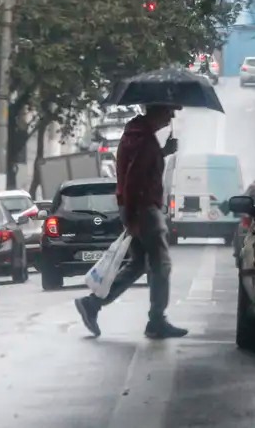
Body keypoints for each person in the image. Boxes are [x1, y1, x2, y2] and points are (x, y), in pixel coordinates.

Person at [74, 103, 187, 340]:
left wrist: (163, 152)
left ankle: (92, 304)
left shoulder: (137, 136)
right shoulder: (144, 140)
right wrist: (135, 215)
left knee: (138, 264)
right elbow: (135, 179)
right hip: (145, 209)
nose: (172, 116)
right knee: (161, 264)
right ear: (157, 111)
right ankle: (157, 320)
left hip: (135, 208)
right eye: (169, 111)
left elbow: (138, 169)